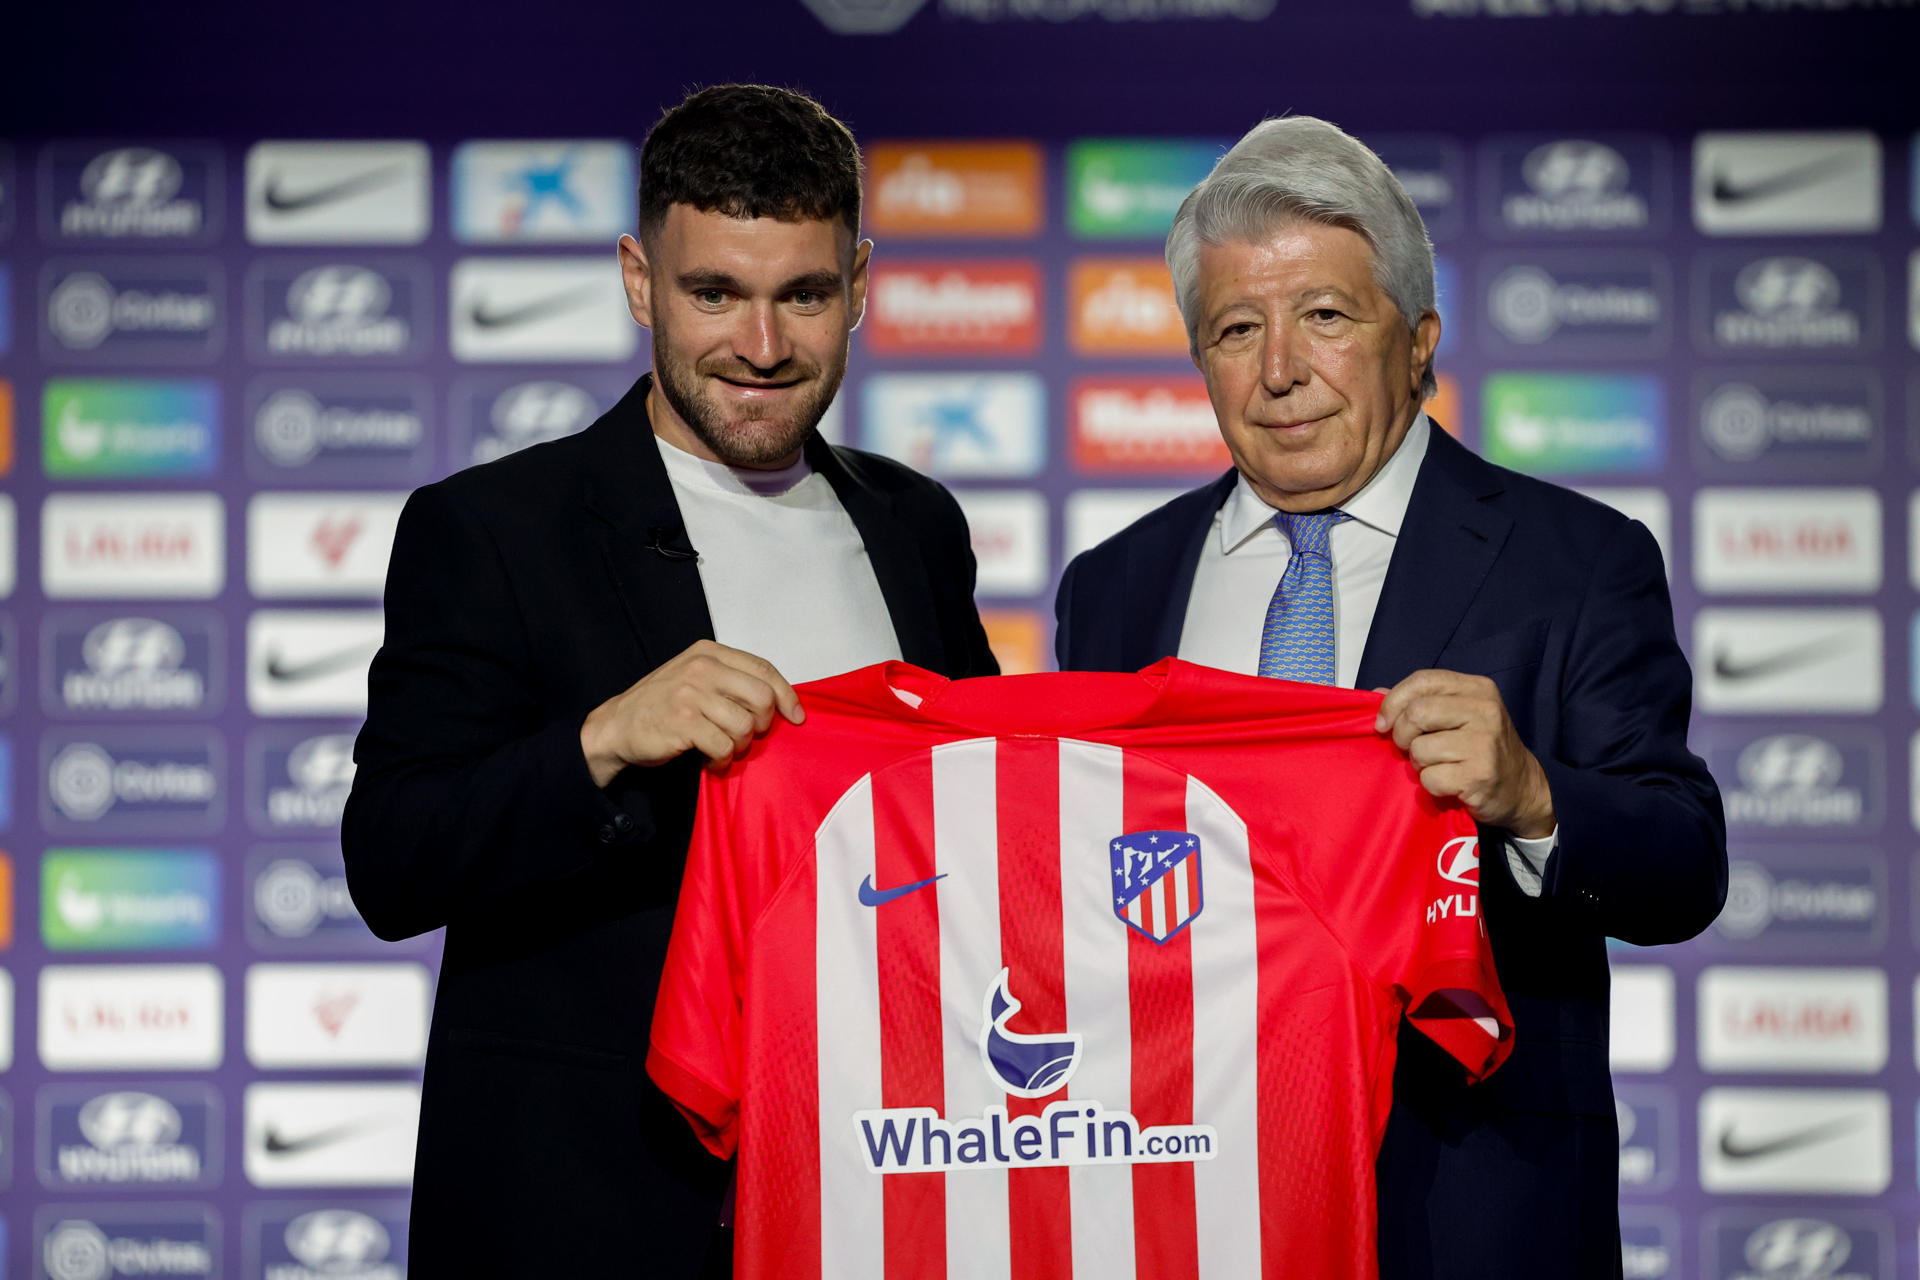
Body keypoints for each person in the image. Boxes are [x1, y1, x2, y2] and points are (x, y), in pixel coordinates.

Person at [1053, 115, 1725, 1280]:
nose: (1278, 370)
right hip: (1177, 1196)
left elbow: (1684, 863)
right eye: (1235, 328)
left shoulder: (1574, 558)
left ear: (1417, 341)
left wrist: (1532, 795)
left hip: (1466, 1212)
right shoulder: (1114, 587)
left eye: (1324, 316)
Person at [342, 84, 997, 1278]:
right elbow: (392, 856)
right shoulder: (492, 528)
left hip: (884, 1186)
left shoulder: (916, 522)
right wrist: (599, 740)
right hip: (599, 1209)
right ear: (641, 280)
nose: (761, 344)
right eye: (715, 293)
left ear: (860, 282)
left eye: (803, 293)